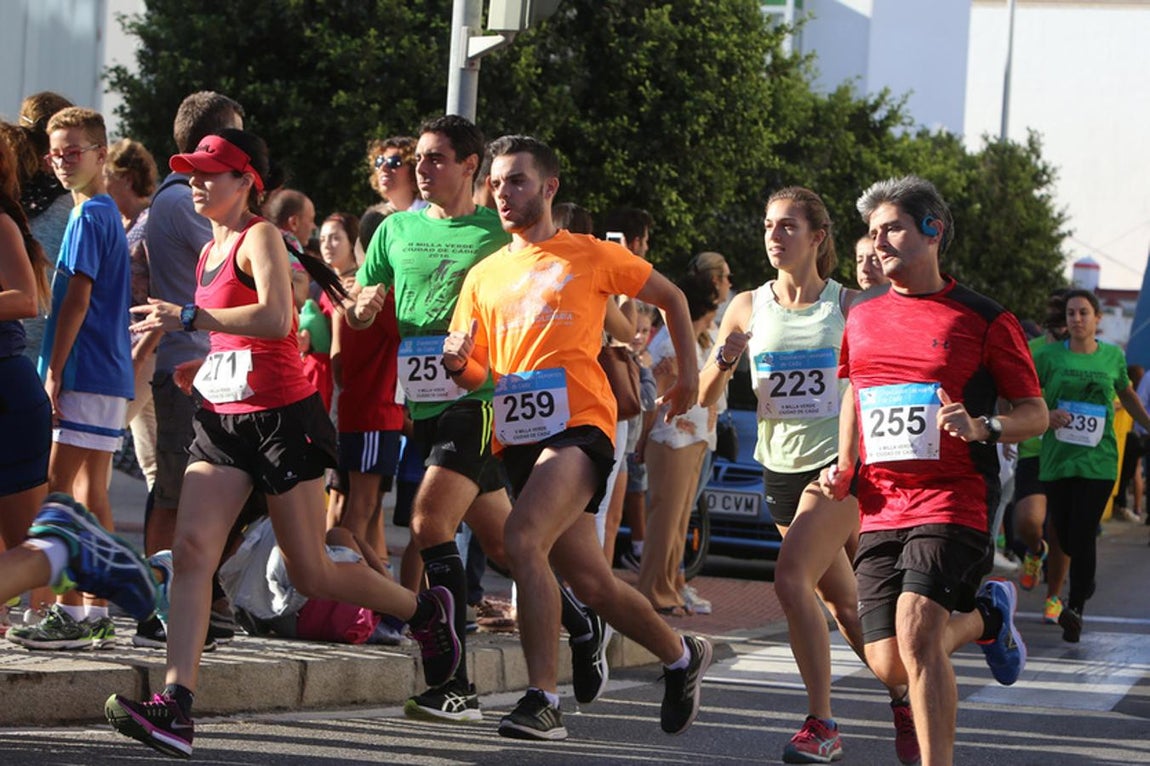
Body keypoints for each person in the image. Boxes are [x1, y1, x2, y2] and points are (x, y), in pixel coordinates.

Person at [104, 129, 460, 759]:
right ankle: (176, 704)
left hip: (281, 420)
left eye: (212, 172)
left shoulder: (259, 236)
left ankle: (424, 614)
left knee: (311, 571)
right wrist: (200, 359)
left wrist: (188, 319)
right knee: (191, 553)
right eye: (191, 171)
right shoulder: (209, 249)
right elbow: (236, 333)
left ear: (247, 183)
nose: (196, 181)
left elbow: (274, 318)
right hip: (221, 418)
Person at [444, 134, 712, 741]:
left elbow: (669, 296)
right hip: (517, 436)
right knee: (590, 582)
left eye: (516, 181)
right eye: (496, 183)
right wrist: (460, 364)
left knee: (521, 538)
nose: (503, 193)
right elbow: (479, 373)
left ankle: (542, 699)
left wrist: (689, 376)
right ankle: (680, 656)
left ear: (549, 187)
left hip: (580, 425)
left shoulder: (587, 254)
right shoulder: (484, 275)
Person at [351, 116, 602, 723]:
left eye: (436, 159)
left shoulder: (498, 228)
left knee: (429, 522)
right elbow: (361, 308)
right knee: (502, 543)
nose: (422, 169)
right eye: (418, 159)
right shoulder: (393, 228)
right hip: (424, 403)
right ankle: (580, 621)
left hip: (483, 398)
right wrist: (362, 306)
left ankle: (452, 683)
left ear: (470, 167)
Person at [818, 175, 1047, 766]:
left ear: (933, 230)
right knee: (890, 661)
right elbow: (854, 393)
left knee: (919, 633)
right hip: (879, 502)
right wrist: (845, 464)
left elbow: (1035, 413)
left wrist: (985, 428)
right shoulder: (864, 314)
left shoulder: (985, 318)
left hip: (954, 497)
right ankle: (987, 615)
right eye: (872, 233)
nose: (878, 242)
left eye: (891, 228)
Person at [700, 187, 914, 764]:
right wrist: (725, 359)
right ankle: (904, 695)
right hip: (779, 472)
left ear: (817, 238)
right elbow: (704, 393)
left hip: (838, 469)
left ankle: (821, 724)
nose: (774, 235)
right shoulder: (746, 306)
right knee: (847, 607)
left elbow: (890, 379)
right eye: (769, 224)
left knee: (791, 579)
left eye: (788, 226)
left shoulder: (851, 305)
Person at [12, 108, 134, 652]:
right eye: (55, 153)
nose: (61, 162)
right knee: (90, 496)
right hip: (106, 373)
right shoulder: (104, 212)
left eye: (73, 151)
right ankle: (94, 611)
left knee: (58, 498)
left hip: (84, 372)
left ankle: (70, 611)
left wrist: (54, 370)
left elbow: (76, 300)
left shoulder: (89, 217)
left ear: (101, 153)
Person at [136, 91, 245, 650]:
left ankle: (208, 601)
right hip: (191, 367)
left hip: (206, 365)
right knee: (177, 493)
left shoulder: (178, 199)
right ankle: (160, 605)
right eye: (237, 137)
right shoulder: (186, 200)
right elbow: (240, 268)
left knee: (202, 493)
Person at [1031, 289, 1150, 642]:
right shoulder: (1049, 356)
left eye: (1084, 313)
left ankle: (1075, 606)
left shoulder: (1112, 356)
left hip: (1099, 461)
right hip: (1057, 458)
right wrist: (1046, 414)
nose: (1077, 319)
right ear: (1065, 320)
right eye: (1071, 313)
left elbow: (1126, 393)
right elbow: (1028, 395)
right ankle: (1086, 581)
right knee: (1064, 535)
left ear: (1097, 319)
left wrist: (1146, 422)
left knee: (1083, 533)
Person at [638, 272, 718, 617]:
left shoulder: (700, 340)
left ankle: (669, 585)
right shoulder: (672, 341)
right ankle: (653, 590)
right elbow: (655, 395)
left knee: (680, 520)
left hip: (694, 438)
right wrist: (642, 442)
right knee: (665, 519)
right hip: (671, 437)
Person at [326, 211, 404, 562]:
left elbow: (338, 365)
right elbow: (408, 334)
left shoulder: (350, 292)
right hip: (376, 411)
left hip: (360, 408)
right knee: (363, 506)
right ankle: (338, 585)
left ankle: (366, 585)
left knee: (365, 508)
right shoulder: (380, 296)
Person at [0, 126, 52, 556]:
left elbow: (25, 299)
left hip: (7, 398)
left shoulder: (1, 222)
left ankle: (76, 609)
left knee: (29, 546)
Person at [104, 138, 161, 492]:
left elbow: (164, 291)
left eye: (106, 175)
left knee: (100, 437)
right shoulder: (123, 224)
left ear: (125, 177)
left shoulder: (150, 223)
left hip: (144, 352)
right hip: (129, 351)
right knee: (153, 462)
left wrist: (140, 355)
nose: (102, 183)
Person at [1014, 292, 1069, 625]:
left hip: (1070, 453)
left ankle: (1054, 596)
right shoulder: (1031, 353)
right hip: (1034, 450)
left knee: (1060, 527)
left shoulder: (1084, 357)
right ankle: (1036, 551)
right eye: (1062, 320)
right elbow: (1011, 394)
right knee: (1027, 522)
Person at [366, 136, 427, 213]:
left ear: (414, 169)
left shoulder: (432, 214)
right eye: (379, 161)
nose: (383, 167)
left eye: (393, 162)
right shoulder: (375, 218)